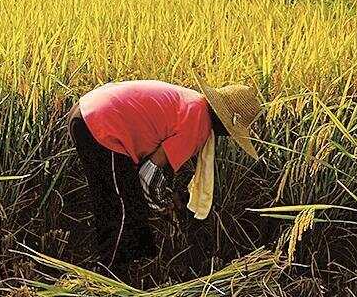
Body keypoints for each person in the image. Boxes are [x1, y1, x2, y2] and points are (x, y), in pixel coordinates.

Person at [67, 79, 261, 276]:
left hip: (86, 111)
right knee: (122, 210)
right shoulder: (199, 123)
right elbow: (147, 175)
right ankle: (110, 276)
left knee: (115, 202)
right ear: (224, 123)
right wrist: (163, 205)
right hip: (102, 124)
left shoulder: (194, 103)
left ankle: (120, 270)